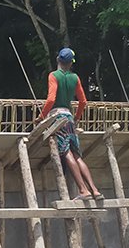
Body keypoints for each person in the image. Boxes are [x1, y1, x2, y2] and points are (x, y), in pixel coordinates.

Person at [38, 48, 103, 200]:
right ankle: (94, 190)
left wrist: (41, 116)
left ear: (58, 59)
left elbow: (51, 99)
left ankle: (83, 190)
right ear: (71, 63)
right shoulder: (75, 78)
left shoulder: (53, 76)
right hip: (69, 117)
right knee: (77, 155)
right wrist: (77, 117)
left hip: (58, 118)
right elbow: (83, 101)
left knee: (66, 152)